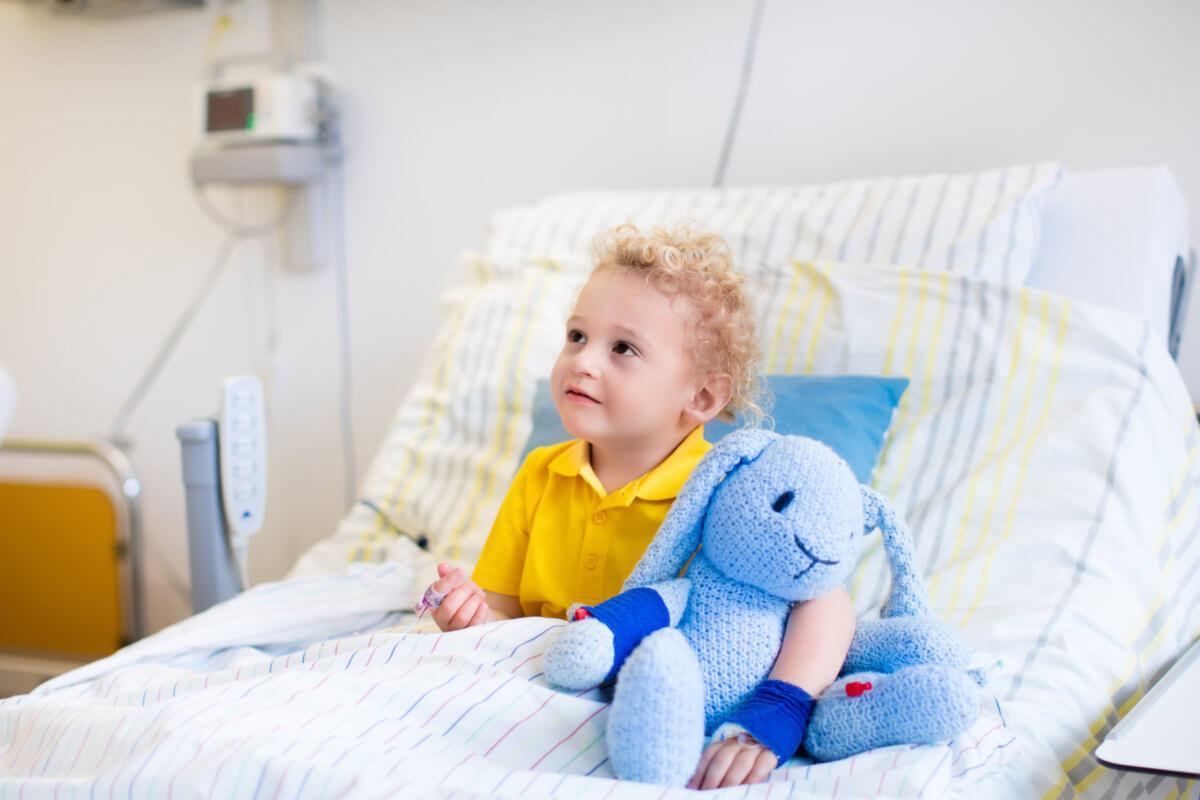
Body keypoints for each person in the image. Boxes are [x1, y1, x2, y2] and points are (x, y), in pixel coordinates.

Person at [427, 223, 855, 788]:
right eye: (577, 335)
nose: (582, 361)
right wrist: (470, 617)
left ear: (701, 397)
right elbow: (505, 616)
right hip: (553, 690)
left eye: (622, 348)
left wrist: (782, 707)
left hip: (673, 704)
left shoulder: (729, 489)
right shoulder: (540, 474)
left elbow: (826, 602)